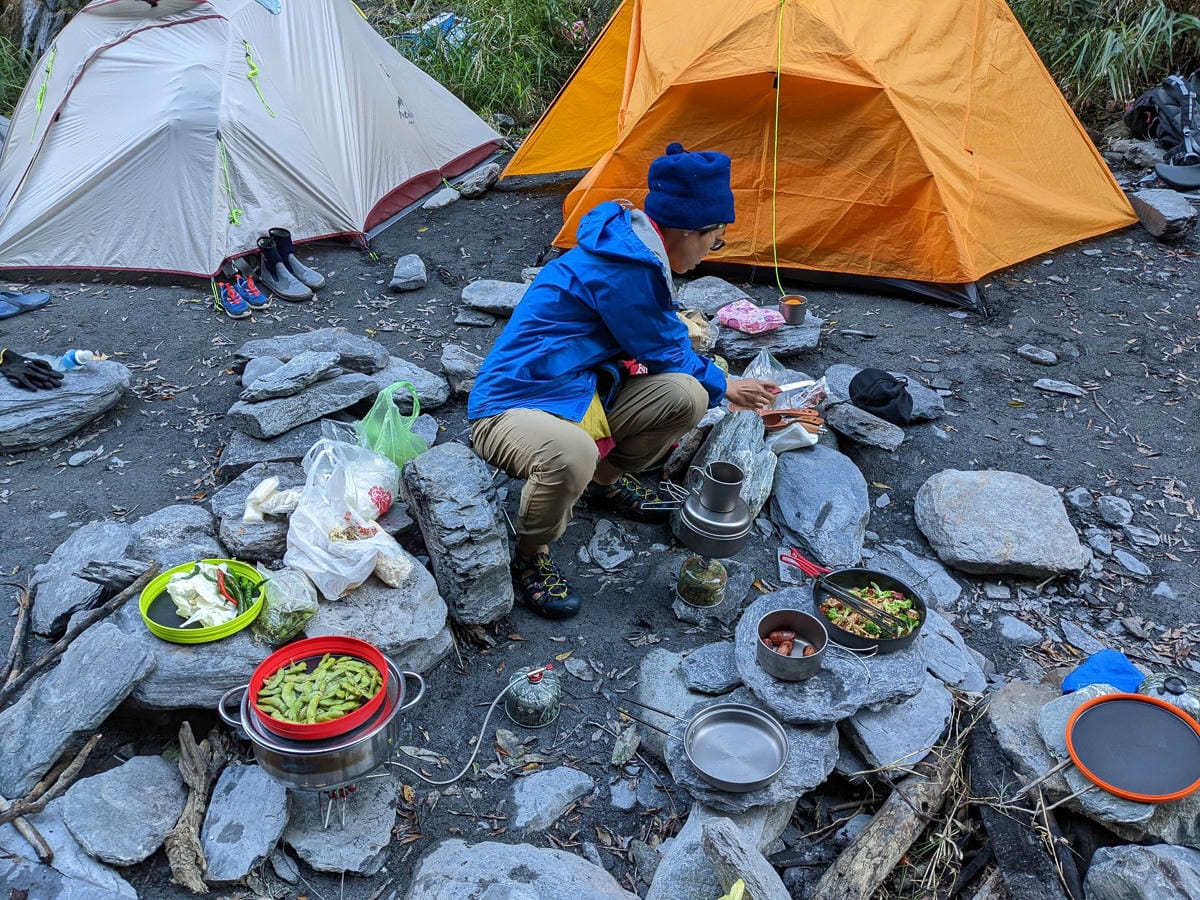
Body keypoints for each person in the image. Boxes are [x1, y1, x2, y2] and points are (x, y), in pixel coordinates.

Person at [468, 143, 778, 619]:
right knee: (573, 452)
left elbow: (662, 342)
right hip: (511, 404)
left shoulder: (635, 251)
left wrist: (712, 382)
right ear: (686, 230)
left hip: (577, 390)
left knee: (687, 395)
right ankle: (531, 553)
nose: (710, 253)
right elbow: (662, 347)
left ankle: (604, 482)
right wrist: (728, 384)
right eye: (714, 240)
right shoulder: (624, 268)